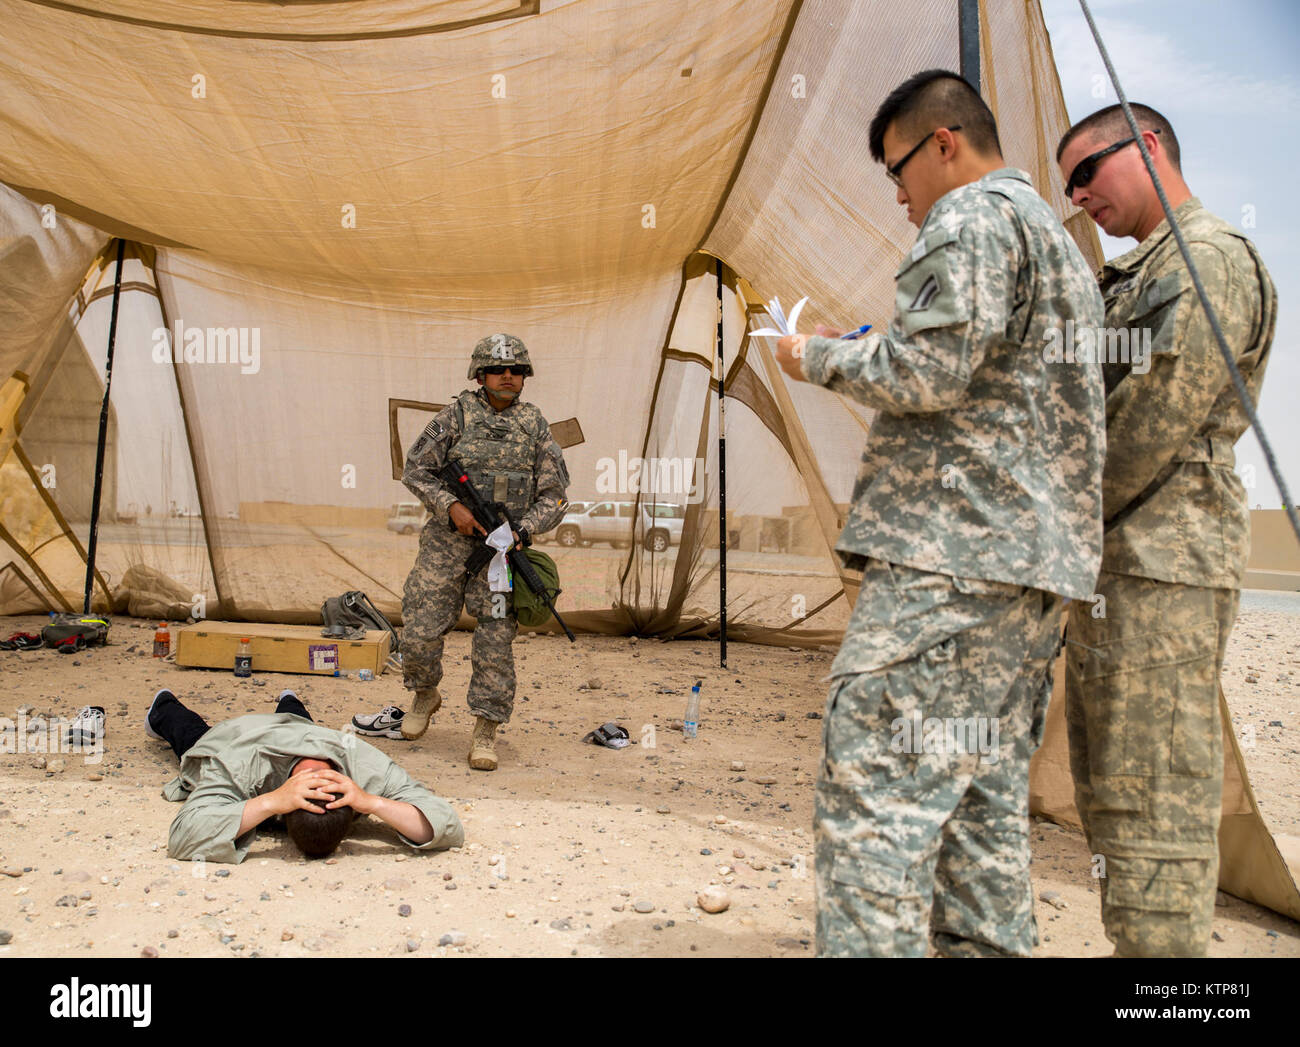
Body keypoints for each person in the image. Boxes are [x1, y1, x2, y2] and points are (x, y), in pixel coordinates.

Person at [773, 69, 1106, 957]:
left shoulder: (965, 218)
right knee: (980, 797)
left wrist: (816, 359)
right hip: (1030, 572)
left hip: (952, 560)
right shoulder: (1058, 242)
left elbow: (926, 372)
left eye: (897, 170)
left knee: (875, 788)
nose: (898, 196)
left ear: (944, 143)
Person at [1055, 104, 1276, 957]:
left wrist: (1049, 525)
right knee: (1118, 791)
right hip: (1127, 565)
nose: (1078, 196)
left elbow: (1144, 423)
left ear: (1148, 148)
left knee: (1154, 800)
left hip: (1159, 564)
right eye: (1067, 182)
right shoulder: (1146, 269)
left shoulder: (1206, 260)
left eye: (1088, 171)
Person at [398, 333, 570, 770]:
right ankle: (424, 693)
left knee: (495, 642)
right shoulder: (455, 415)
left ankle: (485, 730)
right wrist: (450, 506)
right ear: (480, 374)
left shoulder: (535, 425)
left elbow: (555, 496)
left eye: (516, 370)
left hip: (499, 556)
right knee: (419, 631)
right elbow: (415, 469)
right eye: (498, 369)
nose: (508, 376)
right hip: (445, 546)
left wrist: (522, 530)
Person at [146, 687, 464, 863]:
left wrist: (371, 802)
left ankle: (290, 699)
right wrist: (272, 802)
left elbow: (448, 826)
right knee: (194, 738)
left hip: (310, 734)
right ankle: (163, 707)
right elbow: (183, 836)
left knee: (298, 723)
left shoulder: (366, 769)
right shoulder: (239, 763)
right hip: (237, 735)